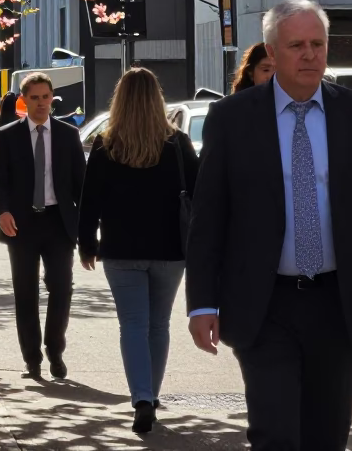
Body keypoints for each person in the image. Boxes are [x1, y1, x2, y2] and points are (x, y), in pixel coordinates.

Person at [187, 0, 352, 450]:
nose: (310, 54)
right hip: (264, 303)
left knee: (326, 435)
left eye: (318, 43)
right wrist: (201, 303)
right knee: (275, 433)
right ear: (272, 51)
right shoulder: (232, 119)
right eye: (297, 45)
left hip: (340, 302)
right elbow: (209, 215)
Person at [78, 68, 199, 433]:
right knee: (158, 324)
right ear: (156, 99)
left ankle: (141, 398)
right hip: (170, 249)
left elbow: (90, 201)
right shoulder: (177, 143)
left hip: (121, 248)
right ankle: (151, 395)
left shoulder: (105, 145)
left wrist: (87, 242)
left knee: (132, 323)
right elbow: (198, 194)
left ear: (120, 100)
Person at [0, 72, 85, 379]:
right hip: (21, 223)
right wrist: (2, 211)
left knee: (61, 288)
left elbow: (80, 184)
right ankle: (31, 358)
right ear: (24, 100)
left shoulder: (68, 134)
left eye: (46, 97)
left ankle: (54, 349)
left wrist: (87, 229)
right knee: (25, 291)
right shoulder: (7, 135)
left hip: (59, 223)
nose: (42, 103)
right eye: (35, 97)